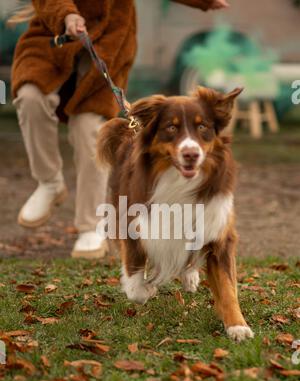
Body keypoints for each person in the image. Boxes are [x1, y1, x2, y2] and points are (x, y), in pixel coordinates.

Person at [11, 0, 229, 259]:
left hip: (110, 41)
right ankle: (49, 182)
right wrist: (66, 15)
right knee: (30, 96)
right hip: (51, 36)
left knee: (89, 126)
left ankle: (90, 227)